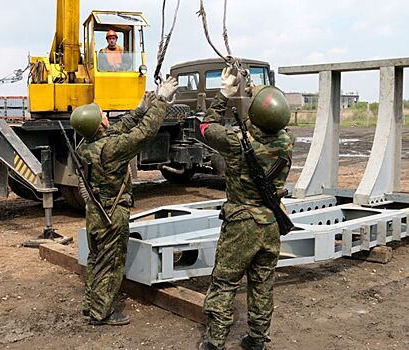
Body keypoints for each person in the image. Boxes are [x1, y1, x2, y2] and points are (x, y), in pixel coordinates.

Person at [198, 68, 294, 350]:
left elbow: (205, 126)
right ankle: (258, 339)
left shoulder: (235, 143)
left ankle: (215, 341)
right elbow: (274, 121)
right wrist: (257, 95)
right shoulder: (287, 142)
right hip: (270, 223)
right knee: (262, 284)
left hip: (241, 223)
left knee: (225, 282)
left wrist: (225, 94)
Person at [70, 77, 178, 326]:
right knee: (112, 262)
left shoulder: (88, 146)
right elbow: (144, 134)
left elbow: (118, 129)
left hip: (95, 211)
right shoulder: (111, 149)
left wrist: (140, 108)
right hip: (112, 213)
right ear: (99, 125)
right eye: (103, 115)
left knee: (97, 258)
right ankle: (101, 313)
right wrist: (161, 101)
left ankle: (92, 304)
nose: (107, 116)